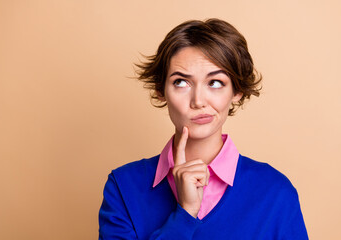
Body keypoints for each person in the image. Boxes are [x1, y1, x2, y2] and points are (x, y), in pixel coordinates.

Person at [98, 18, 308, 239]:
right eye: (181, 82)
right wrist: (185, 214)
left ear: (237, 91)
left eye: (215, 83)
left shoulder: (276, 192)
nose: (198, 101)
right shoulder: (123, 186)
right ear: (161, 90)